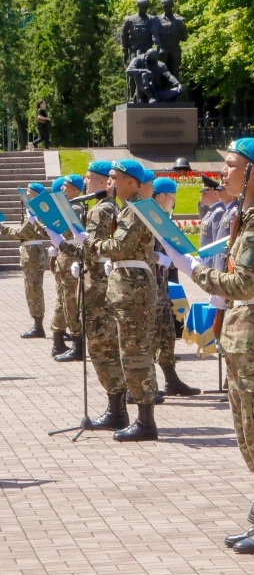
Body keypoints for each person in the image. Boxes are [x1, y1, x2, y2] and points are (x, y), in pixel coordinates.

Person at [165, 138, 254, 554]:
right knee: (246, 432)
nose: (223, 171)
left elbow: (244, 283)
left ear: (253, 172)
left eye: (230, 165)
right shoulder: (244, 216)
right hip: (245, 333)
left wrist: (194, 270)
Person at [76, 161, 161, 441]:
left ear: (130, 181)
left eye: (114, 178)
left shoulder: (136, 209)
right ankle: (125, 414)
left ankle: (146, 422)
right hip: (126, 286)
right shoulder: (128, 209)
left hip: (134, 288)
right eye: (109, 178)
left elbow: (120, 246)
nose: (109, 183)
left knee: (135, 354)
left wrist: (90, 244)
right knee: (127, 352)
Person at [51, 163, 128, 425]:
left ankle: (117, 411)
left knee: (103, 349)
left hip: (98, 289)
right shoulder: (102, 207)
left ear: (101, 179)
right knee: (102, 348)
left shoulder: (103, 209)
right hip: (95, 285)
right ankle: (116, 407)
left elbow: (93, 249)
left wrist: (62, 244)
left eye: (87, 176)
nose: (84, 180)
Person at [150, 177, 200, 397]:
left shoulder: (162, 217)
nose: (173, 202)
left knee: (167, 333)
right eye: (172, 197)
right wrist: (158, 257)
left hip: (161, 285)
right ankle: (142, 385)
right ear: (161, 196)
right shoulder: (148, 217)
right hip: (146, 285)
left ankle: (171, 380)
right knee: (147, 335)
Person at [3, 182, 51, 339]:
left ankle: (38, 326)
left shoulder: (36, 213)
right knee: (32, 289)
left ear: (36, 195)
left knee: (33, 290)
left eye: (29, 192)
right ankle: (37, 324)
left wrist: (1, 227)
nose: (26, 194)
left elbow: (18, 234)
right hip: (31, 253)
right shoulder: (34, 211)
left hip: (32, 255)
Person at [47, 175, 84, 357]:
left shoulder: (74, 207)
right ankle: (72, 340)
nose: (62, 189)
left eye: (66, 187)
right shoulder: (72, 208)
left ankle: (59, 340)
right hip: (68, 256)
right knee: (69, 301)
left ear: (76, 190)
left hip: (67, 256)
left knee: (65, 300)